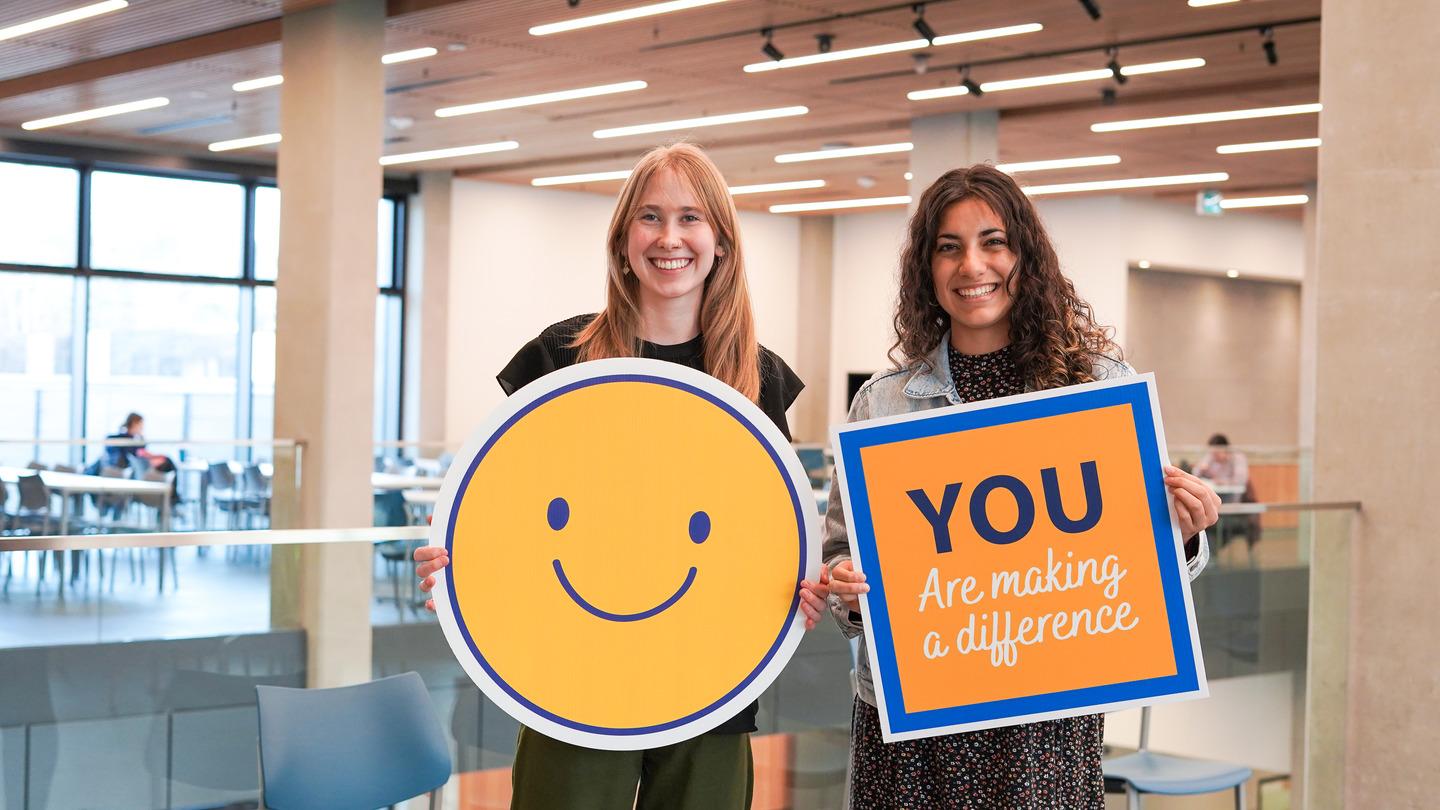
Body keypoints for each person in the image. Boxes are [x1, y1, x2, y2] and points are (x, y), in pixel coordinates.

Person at [412, 142, 832, 810]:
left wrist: (799, 585)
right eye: (650, 217)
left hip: (711, 675)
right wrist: (464, 574)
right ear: (622, 239)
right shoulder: (560, 358)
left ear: (721, 241)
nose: (670, 238)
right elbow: (509, 506)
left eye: (691, 218)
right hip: (574, 675)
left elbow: (763, 532)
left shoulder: (758, 378)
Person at [819, 165, 1221, 808]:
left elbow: (1135, 568)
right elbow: (840, 557)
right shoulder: (883, 405)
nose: (971, 264)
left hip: (1044, 727)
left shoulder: (1096, 391)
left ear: (1025, 255)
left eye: (993, 241)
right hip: (914, 727)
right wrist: (844, 584)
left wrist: (1186, 531)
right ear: (926, 269)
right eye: (948, 247)